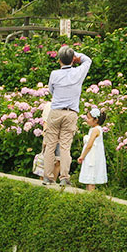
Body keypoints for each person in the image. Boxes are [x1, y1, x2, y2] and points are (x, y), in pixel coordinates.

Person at [40, 45, 92, 188]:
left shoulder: (54, 74)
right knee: (65, 147)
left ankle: (48, 177)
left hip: (56, 111)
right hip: (71, 113)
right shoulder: (78, 72)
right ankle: (64, 178)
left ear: (59, 60)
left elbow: (51, 91)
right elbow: (88, 60)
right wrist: (75, 54)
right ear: (73, 60)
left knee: (50, 145)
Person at [77, 107, 108, 191]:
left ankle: (90, 195)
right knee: (89, 178)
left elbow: (89, 145)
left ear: (96, 120)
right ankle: (88, 194)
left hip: (92, 156)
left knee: (91, 177)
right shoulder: (95, 129)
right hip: (91, 155)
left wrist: (82, 156)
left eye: (89, 118)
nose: (87, 120)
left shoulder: (95, 130)